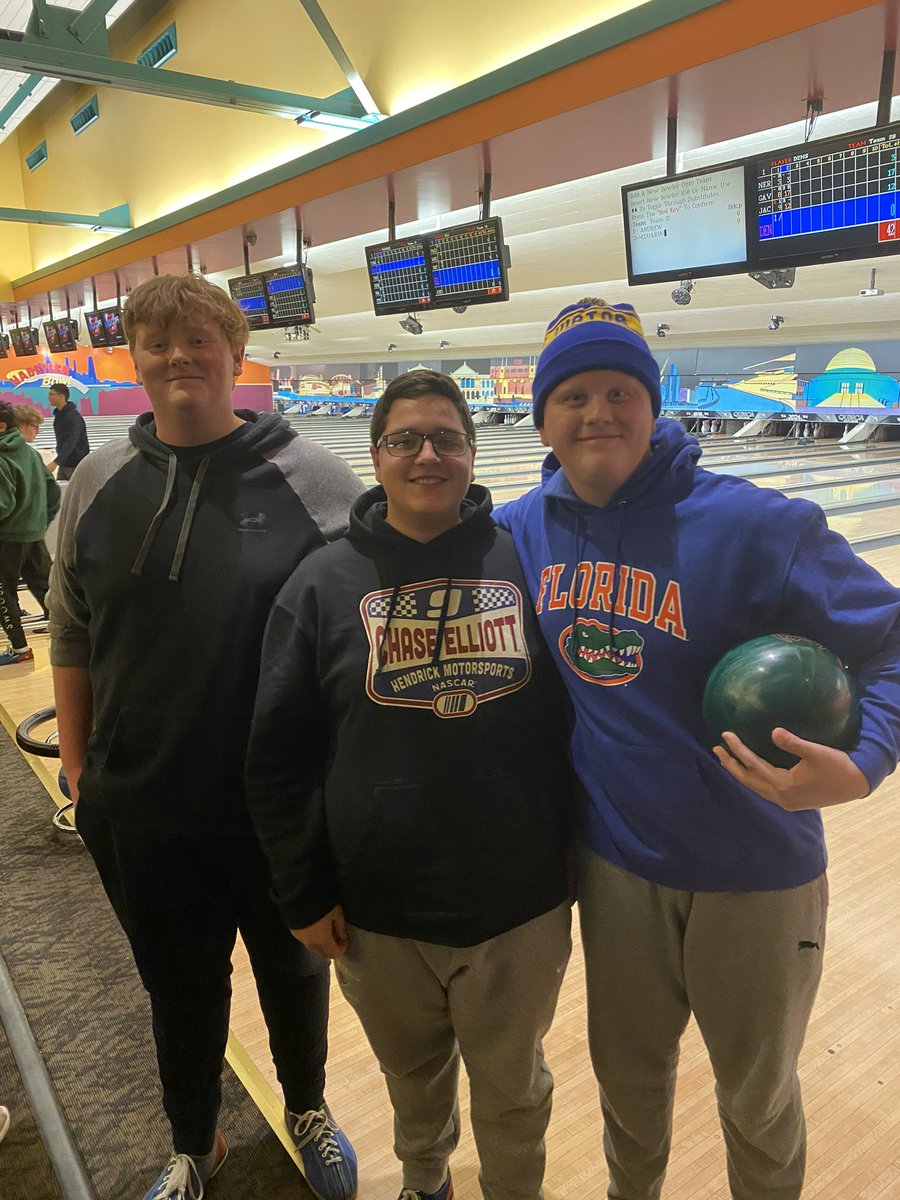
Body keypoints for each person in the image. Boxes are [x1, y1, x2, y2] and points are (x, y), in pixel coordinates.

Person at [496, 298, 900, 1200]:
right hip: (616, 867)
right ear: (544, 419)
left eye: (618, 391)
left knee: (756, 1101)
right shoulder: (527, 527)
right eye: (572, 396)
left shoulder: (761, 525)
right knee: (629, 1090)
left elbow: (891, 641)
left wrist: (866, 759)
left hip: (756, 869)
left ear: (653, 402)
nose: (597, 412)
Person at [49, 274, 365, 1200]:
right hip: (141, 806)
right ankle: (196, 1145)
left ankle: (306, 1110)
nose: (178, 356)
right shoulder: (98, 479)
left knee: (294, 976)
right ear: (133, 360)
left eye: (198, 339)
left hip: (276, 806)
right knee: (179, 991)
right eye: (157, 342)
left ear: (235, 355)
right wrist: (76, 765)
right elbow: (71, 628)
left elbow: (359, 629)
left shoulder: (315, 477)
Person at [246, 370, 574, 1200]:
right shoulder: (320, 585)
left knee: (514, 1087)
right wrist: (301, 889)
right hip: (377, 905)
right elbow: (278, 757)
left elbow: (590, 717)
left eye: (447, 439)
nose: (427, 455)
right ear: (376, 455)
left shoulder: (527, 559)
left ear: (471, 455)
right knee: (413, 1082)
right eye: (405, 440)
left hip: (519, 900)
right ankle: (424, 1184)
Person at [0, 400, 60, 665]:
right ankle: (67, 635)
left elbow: (4, 504)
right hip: (34, 535)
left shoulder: (1, 457)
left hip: (7, 538)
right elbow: (54, 492)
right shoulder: (30, 453)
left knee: (4, 593)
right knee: (45, 587)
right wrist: (39, 522)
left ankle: (19, 649)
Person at [48, 382, 90, 479]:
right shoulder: (59, 415)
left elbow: (71, 442)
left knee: (73, 493)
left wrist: (56, 462)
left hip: (76, 465)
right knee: (62, 492)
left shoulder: (72, 417)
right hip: (65, 463)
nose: (48, 397)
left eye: (51, 394)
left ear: (61, 396)